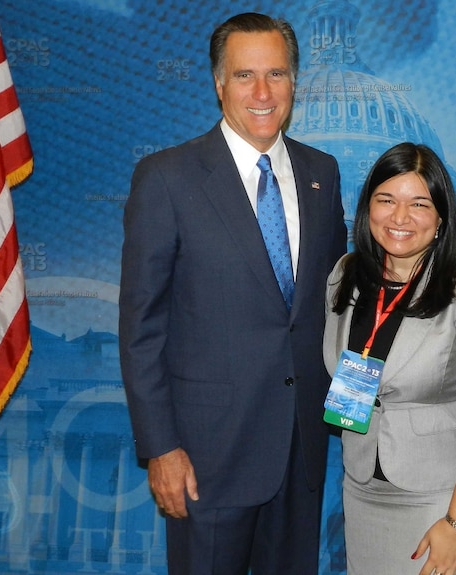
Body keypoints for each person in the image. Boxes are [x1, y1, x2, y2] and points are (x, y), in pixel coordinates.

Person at [118, 12, 346, 574]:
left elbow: (335, 304)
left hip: (300, 449)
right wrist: (161, 447)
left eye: (277, 73)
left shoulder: (323, 173)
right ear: (219, 83)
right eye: (245, 76)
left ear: (296, 81)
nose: (263, 93)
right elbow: (141, 328)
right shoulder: (166, 178)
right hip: (205, 457)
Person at [323, 142, 456, 575]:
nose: (399, 218)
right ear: (367, 207)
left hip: (445, 499)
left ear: (441, 217)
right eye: (386, 200)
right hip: (361, 489)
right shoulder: (346, 275)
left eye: (419, 204)